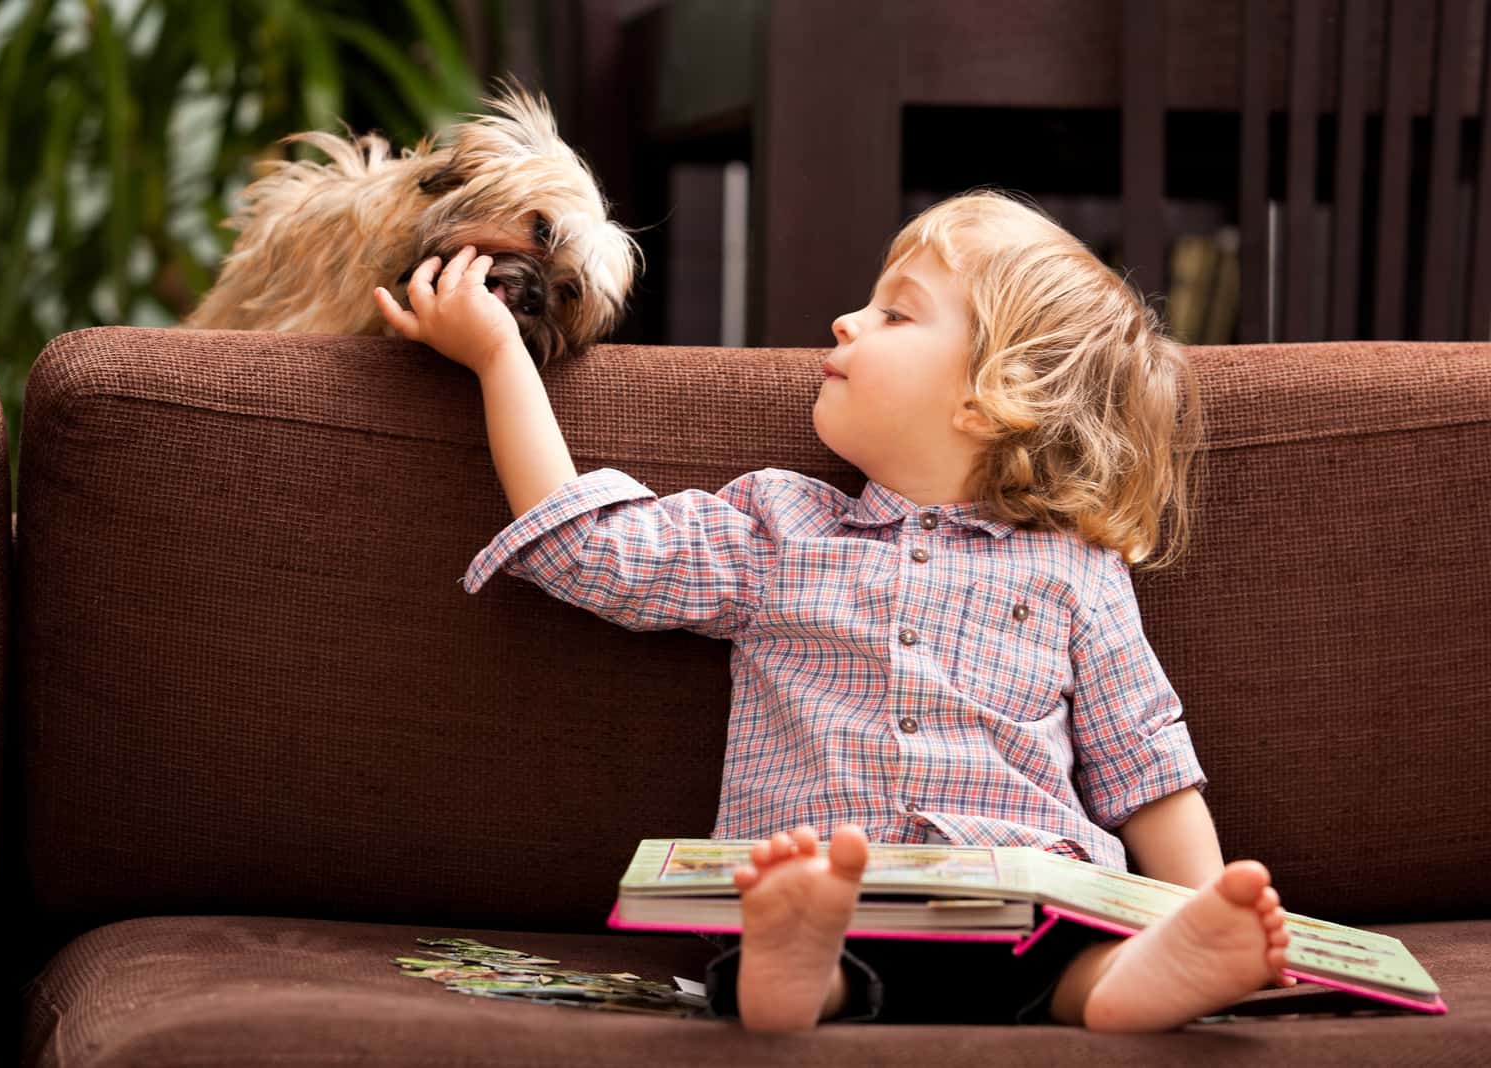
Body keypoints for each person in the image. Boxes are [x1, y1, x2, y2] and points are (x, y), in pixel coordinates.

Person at [373, 191, 1291, 1033]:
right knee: (791, 930)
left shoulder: (1077, 570)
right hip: (831, 893)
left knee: (1084, 964)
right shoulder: (779, 526)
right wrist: (500, 356)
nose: (846, 321)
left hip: (1024, 903)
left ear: (991, 395)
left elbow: (1148, 763)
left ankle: (1157, 974)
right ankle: (793, 965)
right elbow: (591, 552)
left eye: (896, 312)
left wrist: (1197, 905)